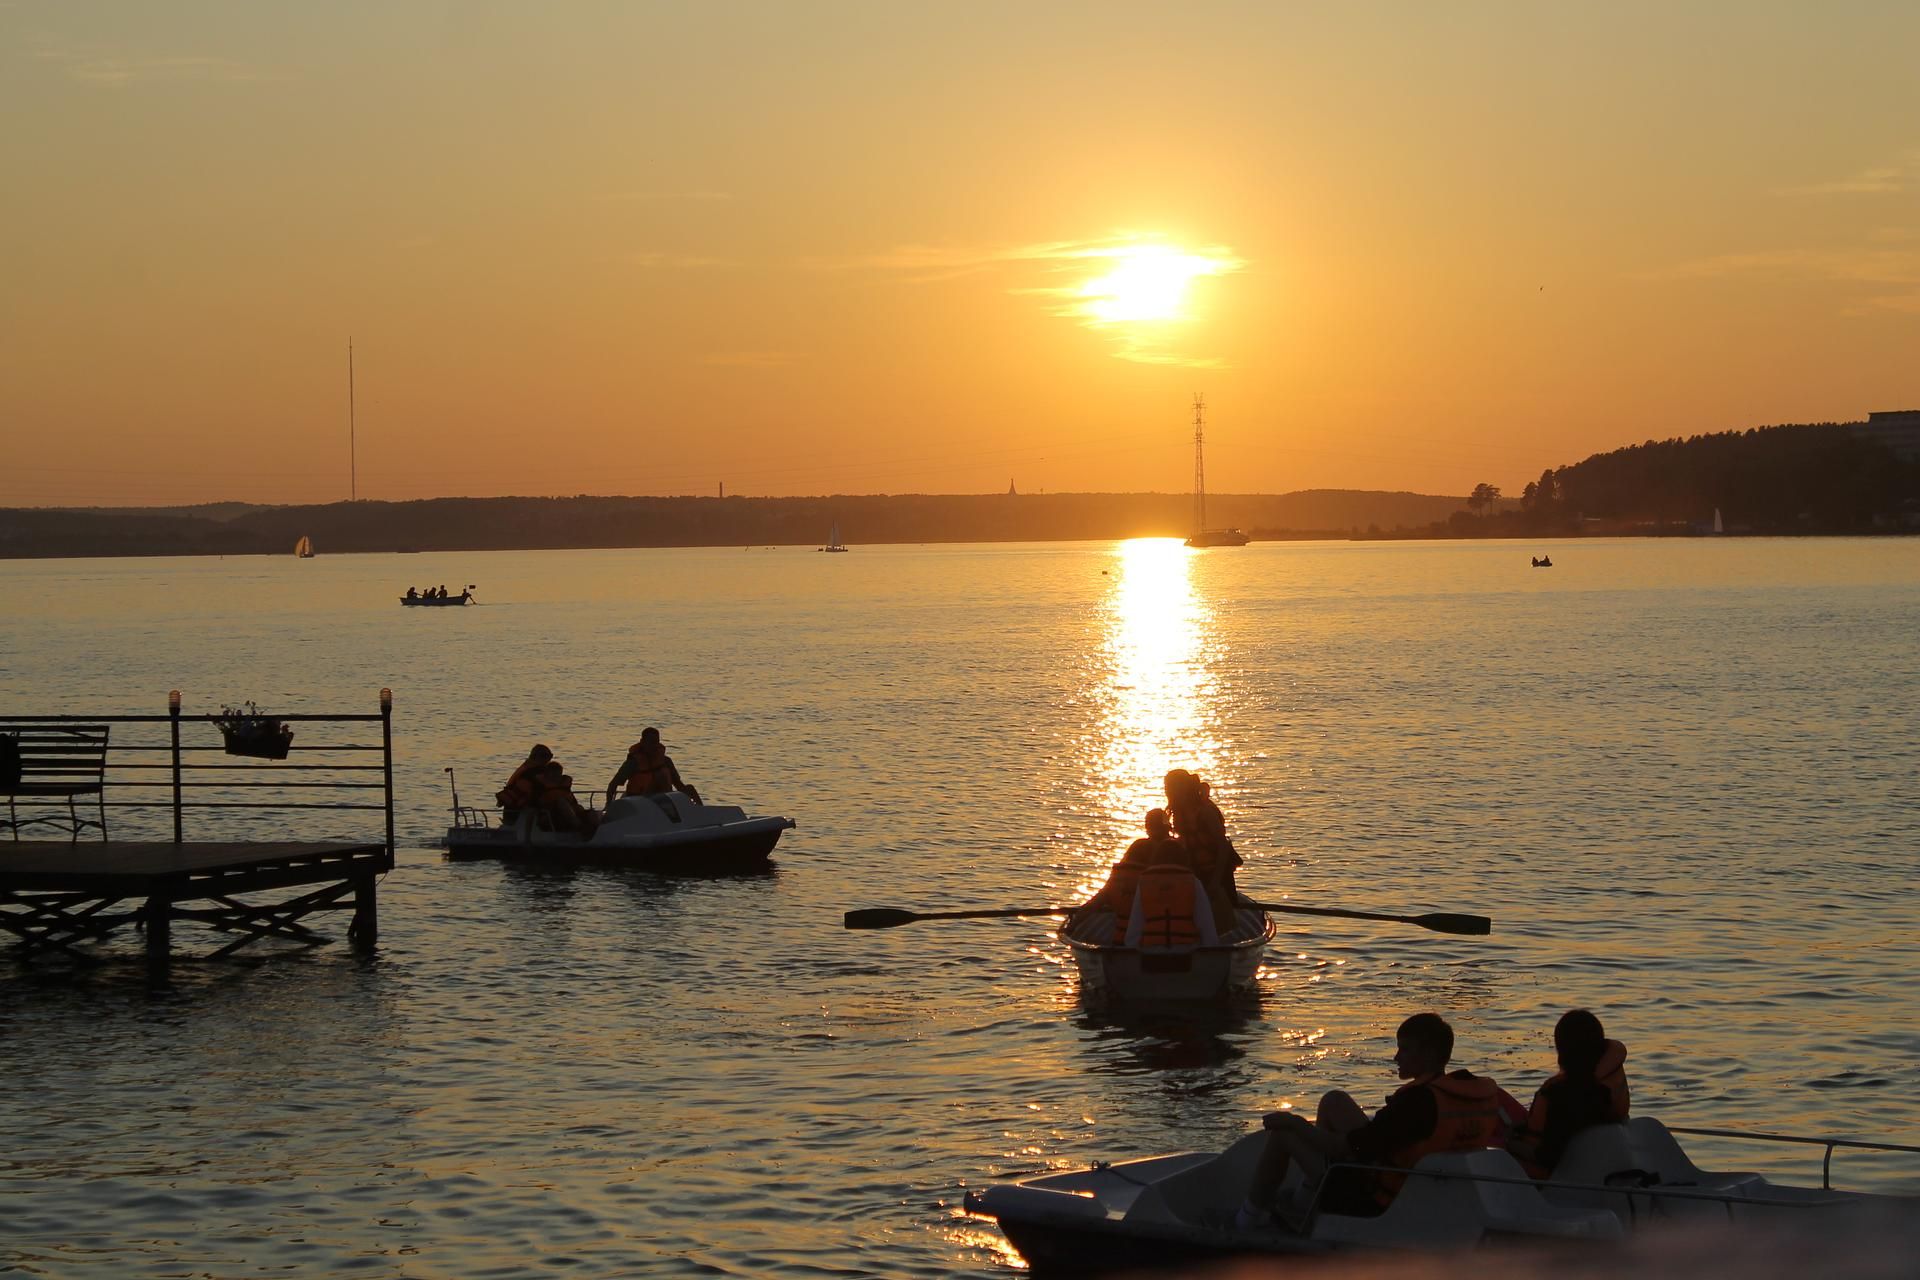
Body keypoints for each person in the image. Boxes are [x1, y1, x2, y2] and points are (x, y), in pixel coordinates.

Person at [1239, 1013, 1515, 1229]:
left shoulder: (1416, 1104)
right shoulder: (1467, 1093)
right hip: (1427, 1188)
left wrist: (1294, 1122)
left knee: (1283, 1134)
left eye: (1405, 1050)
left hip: (1377, 1200)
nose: (1396, 1057)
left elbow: (1344, 1150)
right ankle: (1305, 1202)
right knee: (1334, 1101)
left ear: (1429, 1055)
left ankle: (1248, 1220)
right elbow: (1380, 1139)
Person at [1508, 1010, 1630, 1177]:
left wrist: (1510, 1143)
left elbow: (1545, 1157)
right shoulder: (1606, 1086)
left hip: (1557, 1184)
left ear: (1562, 1051)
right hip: (1606, 1169)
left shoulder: (1558, 1096)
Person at [1162, 769, 1240, 930]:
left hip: (1216, 875)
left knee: (1222, 923)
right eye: (1165, 786)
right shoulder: (1179, 811)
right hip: (1194, 873)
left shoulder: (1205, 811)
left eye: (1169, 787)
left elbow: (1223, 847)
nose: (1166, 791)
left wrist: (1215, 883)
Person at [605, 727, 702, 807]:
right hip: (639, 802)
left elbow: (679, 785)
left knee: (690, 788)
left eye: (656, 742)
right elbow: (613, 785)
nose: (654, 746)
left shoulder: (666, 761)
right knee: (659, 776)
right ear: (642, 742)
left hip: (664, 802)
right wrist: (608, 805)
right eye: (650, 742)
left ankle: (701, 813)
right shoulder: (633, 763)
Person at [534, 762, 598, 836]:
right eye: (553, 774)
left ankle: (597, 832)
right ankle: (580, 828)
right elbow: (538, 804)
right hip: (552, 816)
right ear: (546, 774)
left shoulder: (564, 785)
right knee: (562, 802)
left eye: (558, 774)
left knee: (592, 813)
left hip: (570, 813)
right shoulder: (540, 786)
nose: (556, 777)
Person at [495, 744, 554, 811]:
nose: (548, 760)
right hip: (519, 812)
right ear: (536, 757)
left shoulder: (528, 768)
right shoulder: (532, 773)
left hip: (516, 810)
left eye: (550, 756)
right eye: (545, 756)